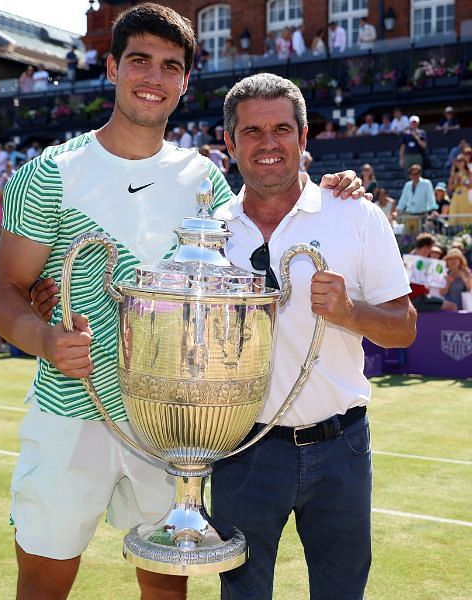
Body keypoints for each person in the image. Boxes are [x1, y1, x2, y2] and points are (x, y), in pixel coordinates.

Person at [0, 6, 367, 598]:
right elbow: (5, 293)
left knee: (167, 587)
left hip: (172, 424)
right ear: (111, 66)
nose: (153, 78)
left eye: (170, 66)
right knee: (43, 578)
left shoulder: (206, 182)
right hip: (70, 411)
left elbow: (270, 212)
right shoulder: (50, 173)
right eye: (139, 60)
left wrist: (339, 187)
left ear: (185, 81)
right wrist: (44, 339)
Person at [210, 71, 416, 600]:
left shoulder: (356, 214)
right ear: (229, 143)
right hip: (243, 451)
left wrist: (349, 311)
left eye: (281, 128)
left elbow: (404, 330)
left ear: (303, 138)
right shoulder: (208, 232)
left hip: (341, 447)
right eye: (252, 132)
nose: (268, 143)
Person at [398, 163, 438, 231]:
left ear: (420, 174)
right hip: (409, 216)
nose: (415, 176)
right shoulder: (407, 185)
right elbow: (403, 200)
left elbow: (431, 197)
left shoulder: (426, 183)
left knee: (420, 238)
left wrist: (433, 209)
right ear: (409, 175)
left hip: (422, 216)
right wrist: (398, 210)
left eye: (417, 173)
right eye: (412, 174)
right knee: (407, 238)